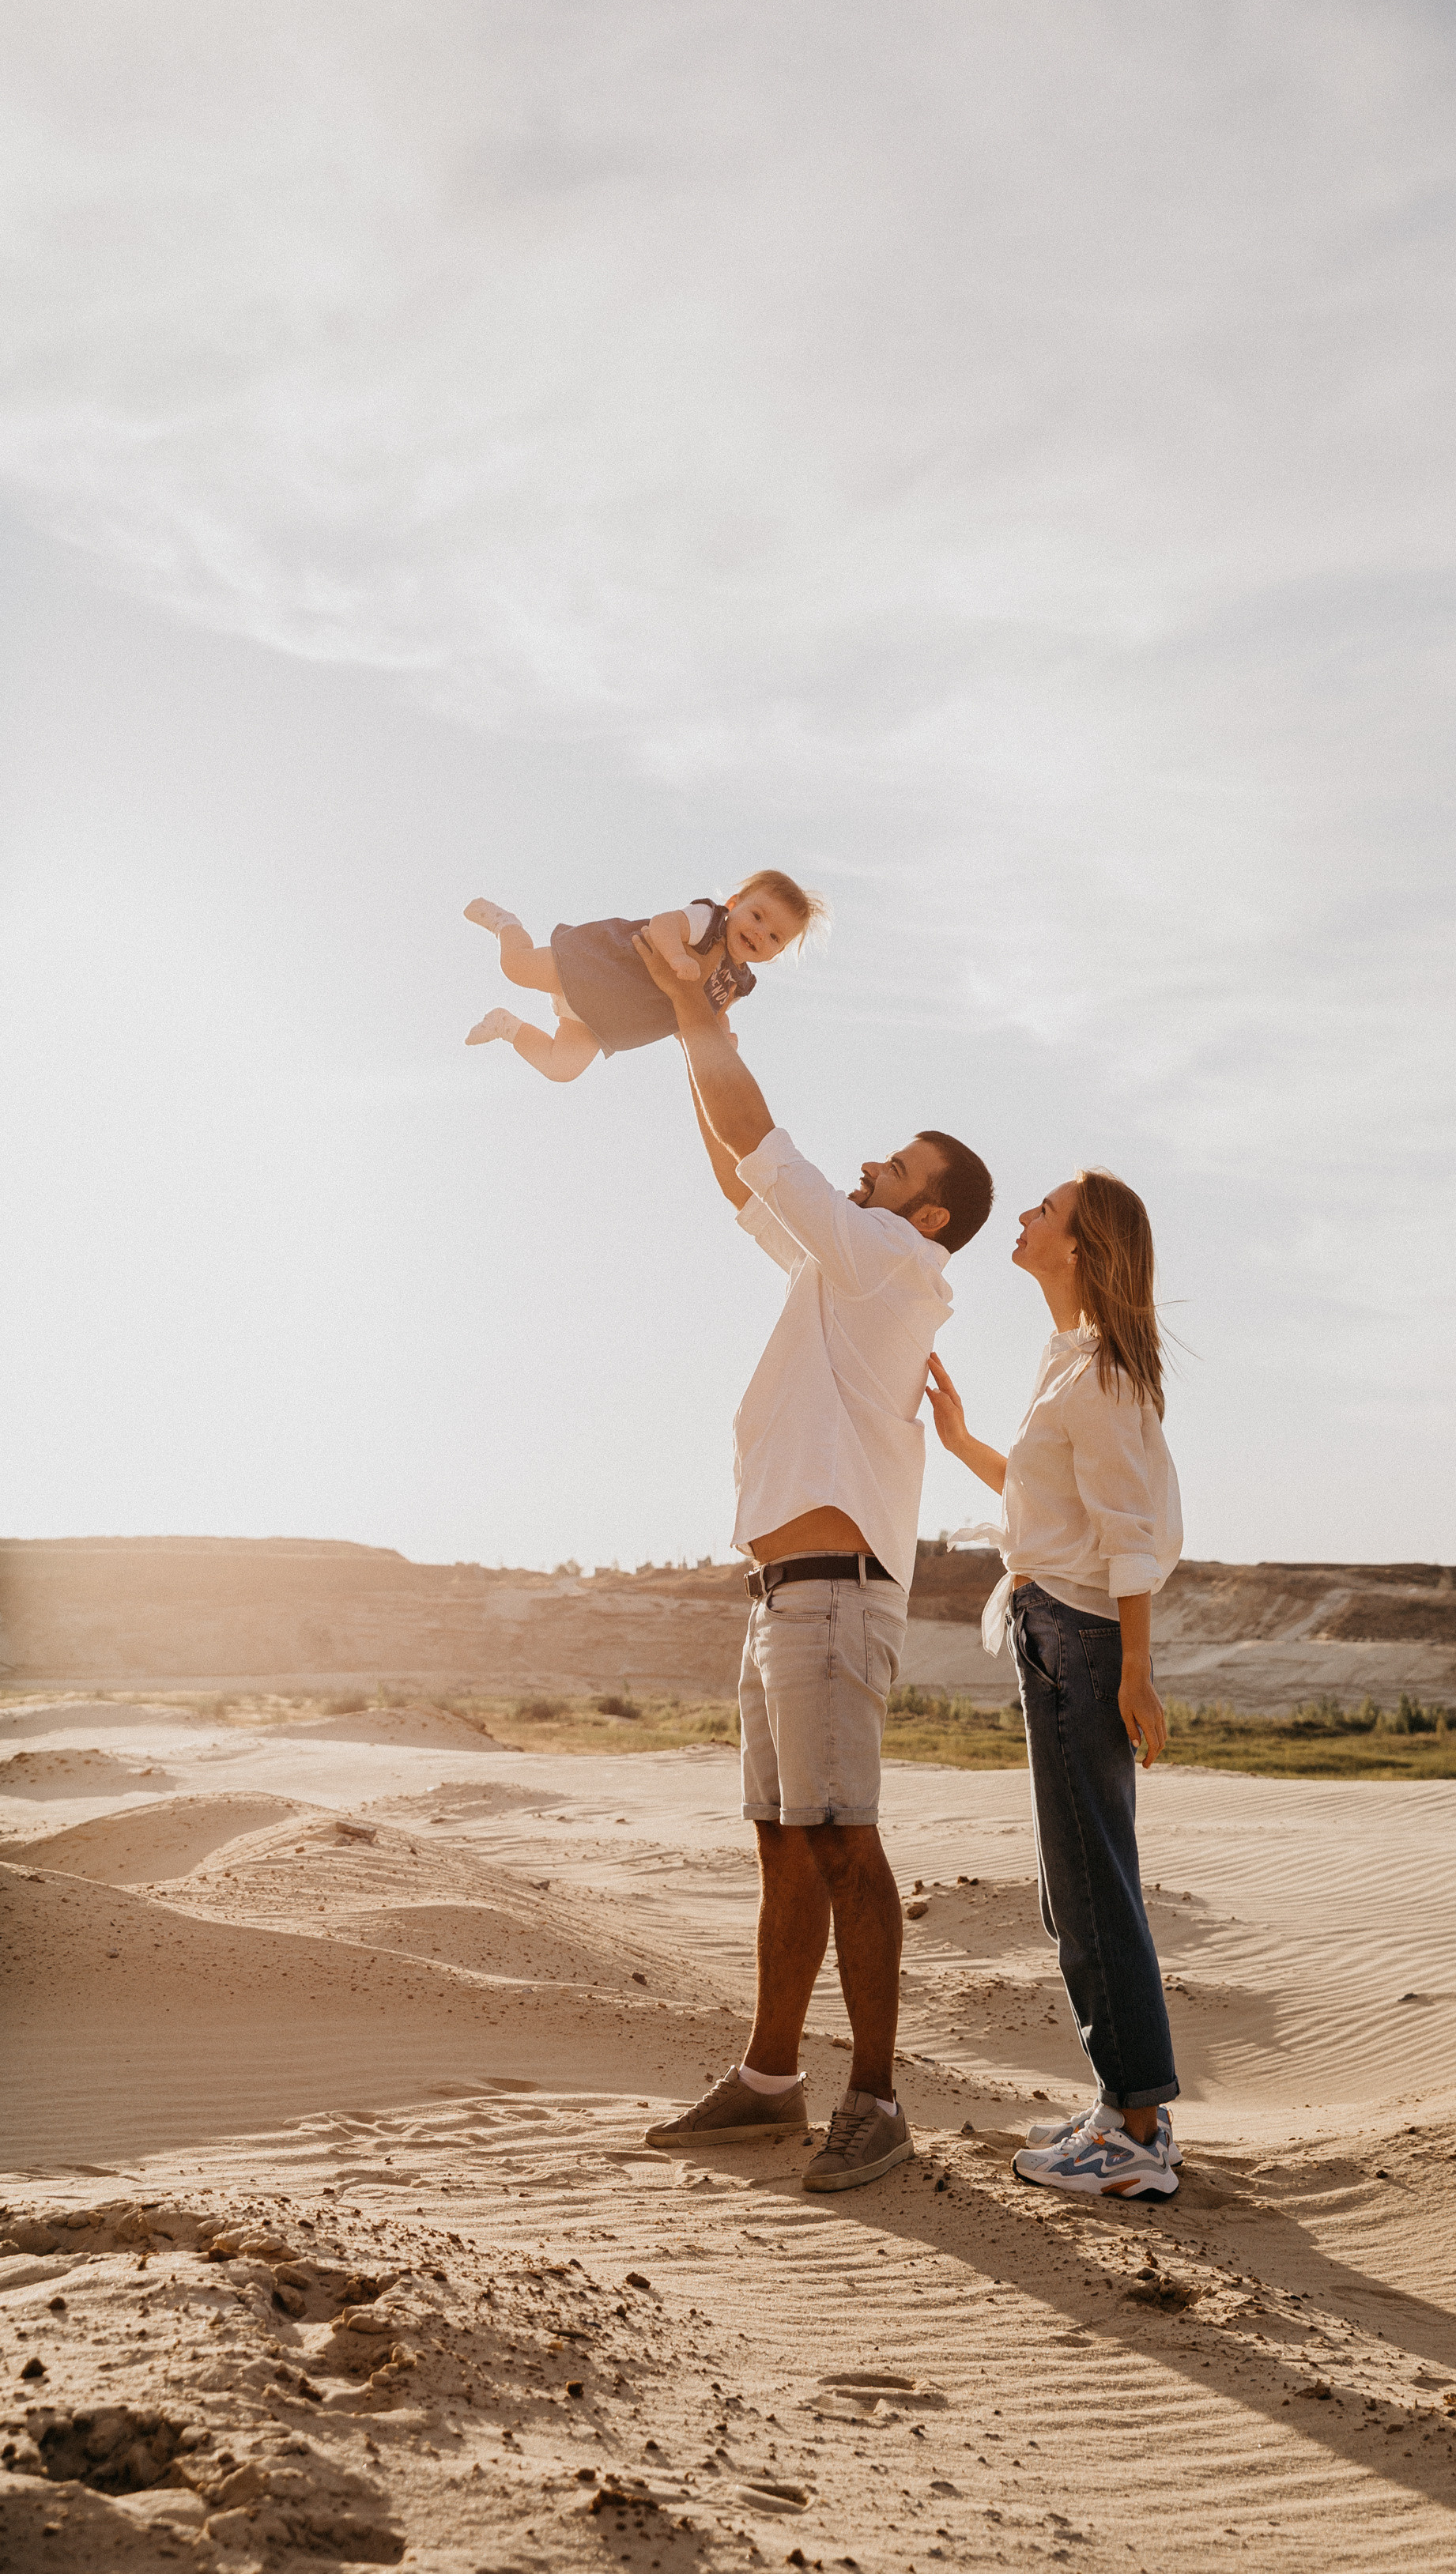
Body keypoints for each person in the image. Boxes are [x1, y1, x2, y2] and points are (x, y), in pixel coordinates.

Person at [628, 925, 994, 2191]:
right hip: (782, 1598)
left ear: (925, 1211)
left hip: (834, 1600)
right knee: (785, 1844)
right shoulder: (844, 1267)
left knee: (842, 1841)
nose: (868, 1169)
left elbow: (766, 1143)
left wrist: (699, 1012)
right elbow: (744, 1176)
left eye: (892, 1167)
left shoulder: (895, 1261)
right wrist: (690, 1031)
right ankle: (770, 2081)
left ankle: (879, 2100)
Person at [925, 1170, 1184, 2201]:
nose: (1024, 1219)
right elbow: (1049, 1507)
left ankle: (1136, 2134)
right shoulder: (1069, 1363)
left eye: (1044, 1210)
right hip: (1056, 1633)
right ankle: (1122, 2106)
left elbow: (1127, 1540)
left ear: (1078, 1247)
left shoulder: (1103, 1378)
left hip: (1080, 1644)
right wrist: (962, 1446)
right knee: (1068, 1886)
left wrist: (1136, 1671)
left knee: (1091, 1886)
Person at [461, 870, 825, 1083]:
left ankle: (504, 1025)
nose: (761, 934)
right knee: (516, 967)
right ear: (733, 904)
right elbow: (664, 924)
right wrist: (678, 954)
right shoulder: (708, 923)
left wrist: (718, 1038)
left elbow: (704, 1013)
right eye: (758, 917)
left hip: (606, 1019)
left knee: (563, 1068)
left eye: (776, 937)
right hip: (599, 971)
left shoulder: (738, 982)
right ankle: (506, 924)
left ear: (778, 953)